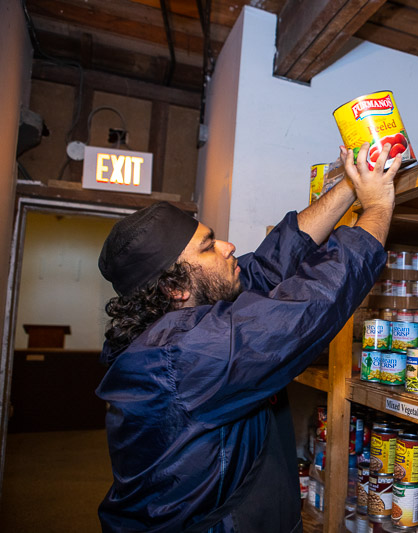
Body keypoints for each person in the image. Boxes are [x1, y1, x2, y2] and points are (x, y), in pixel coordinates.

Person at [95, 143, 401, 532]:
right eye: (209, 246)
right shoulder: (183, 354)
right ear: (175, 288)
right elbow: (308, 307)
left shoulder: (173, 327)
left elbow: (268, 266)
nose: (229, 247)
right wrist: (376, 207)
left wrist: (348, 187)